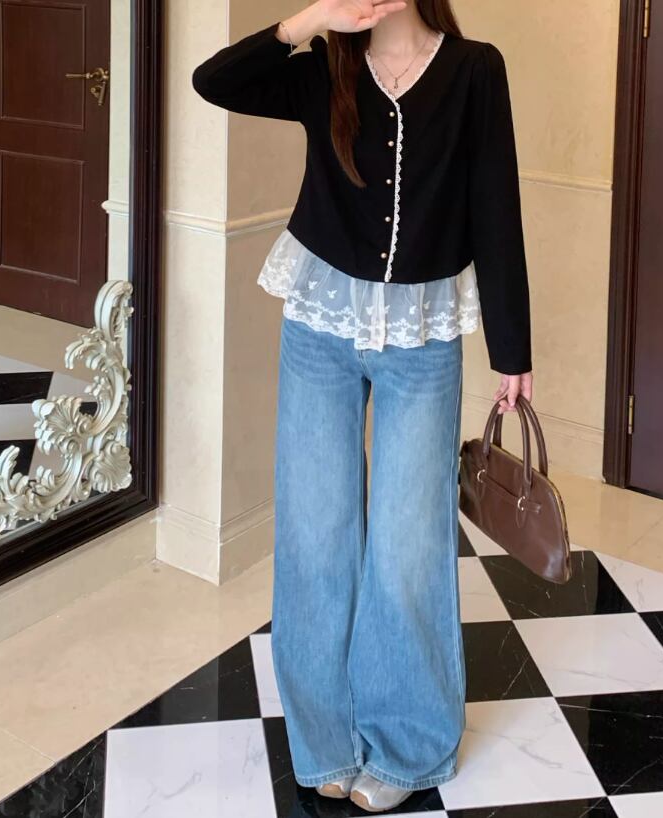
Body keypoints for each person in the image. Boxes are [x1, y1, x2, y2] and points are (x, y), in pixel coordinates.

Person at [192, 0, 532, 811]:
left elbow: (496, 204)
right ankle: (327, 740)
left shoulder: (475, 70)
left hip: (423, 337)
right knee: (316, 536)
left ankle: (407, 746)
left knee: (409, 547)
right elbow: (214, 81)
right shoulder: (323, 69)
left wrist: (512, 351)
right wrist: (310, 19)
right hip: (320, 325)